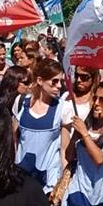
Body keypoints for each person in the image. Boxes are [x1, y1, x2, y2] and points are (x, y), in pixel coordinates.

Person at [14, 59, 64, 194]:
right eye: (54, 81)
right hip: (21, 175)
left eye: (61, 81)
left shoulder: (62, 107)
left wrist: (62, 182)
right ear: (40, 81)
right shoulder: (21, 101)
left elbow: (64, 148)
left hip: (47, 182)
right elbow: (14, 137)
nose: (59, 86)